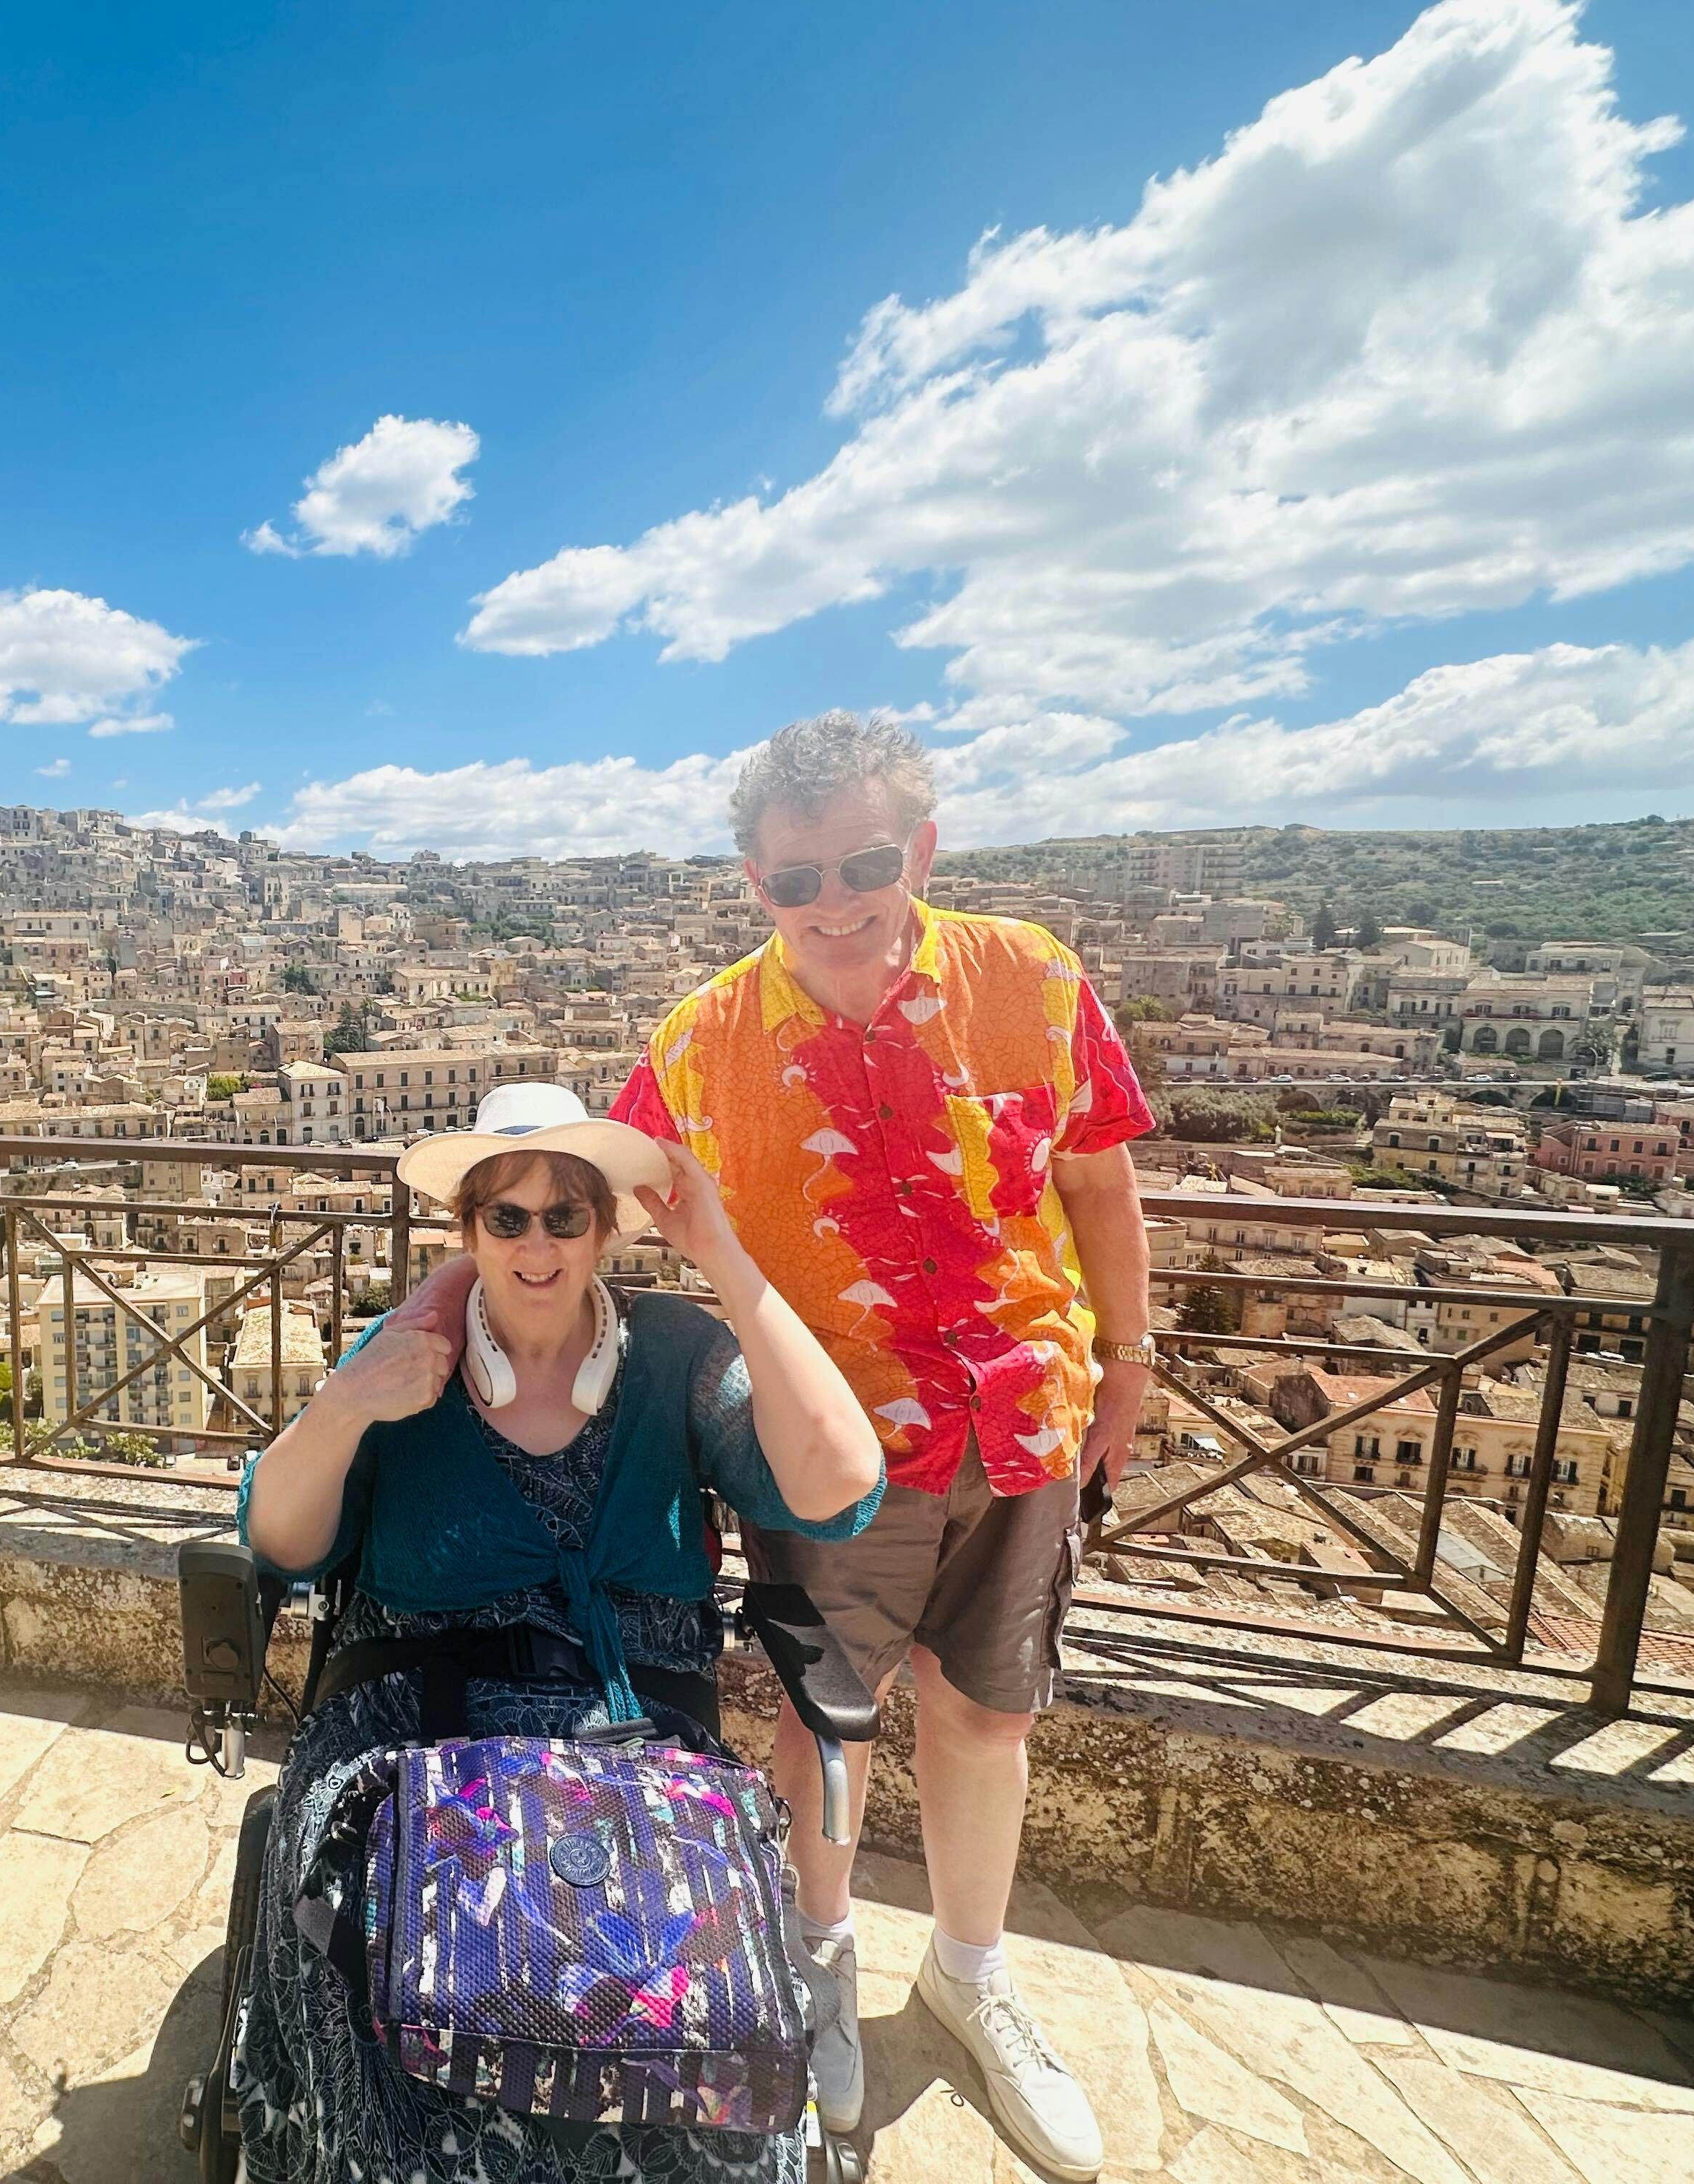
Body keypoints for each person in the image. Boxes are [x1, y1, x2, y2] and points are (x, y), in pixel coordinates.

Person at [610, 711, 1156, 2184]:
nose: (835, 900)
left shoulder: (1030, 979)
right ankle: (821, 1965)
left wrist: (1133, 1357)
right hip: (832, 1454)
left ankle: (970, 1978)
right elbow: (596, 1188)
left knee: (989, 1718)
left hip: (1023, 1421)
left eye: (863, 861)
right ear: (752, 882)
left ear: (919, 847)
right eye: (797, 878)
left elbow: (1099, 1179)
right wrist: (461, 1285)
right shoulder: (702, 1040)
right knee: (824, 1727)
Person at [235, 1081, 886, 2184]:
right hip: (413, 1747)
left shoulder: (675, 1356)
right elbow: (281, 1542)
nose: (536, 1246)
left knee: (693, 2064)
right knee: (371, 1979)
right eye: (506, 1218)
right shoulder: (405, 1362)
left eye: (565, 1217)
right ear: (469, 1228)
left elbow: (841, 1481)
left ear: (604, 1228)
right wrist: (348, 1403)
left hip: (637, 1757)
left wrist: (721, 1252)